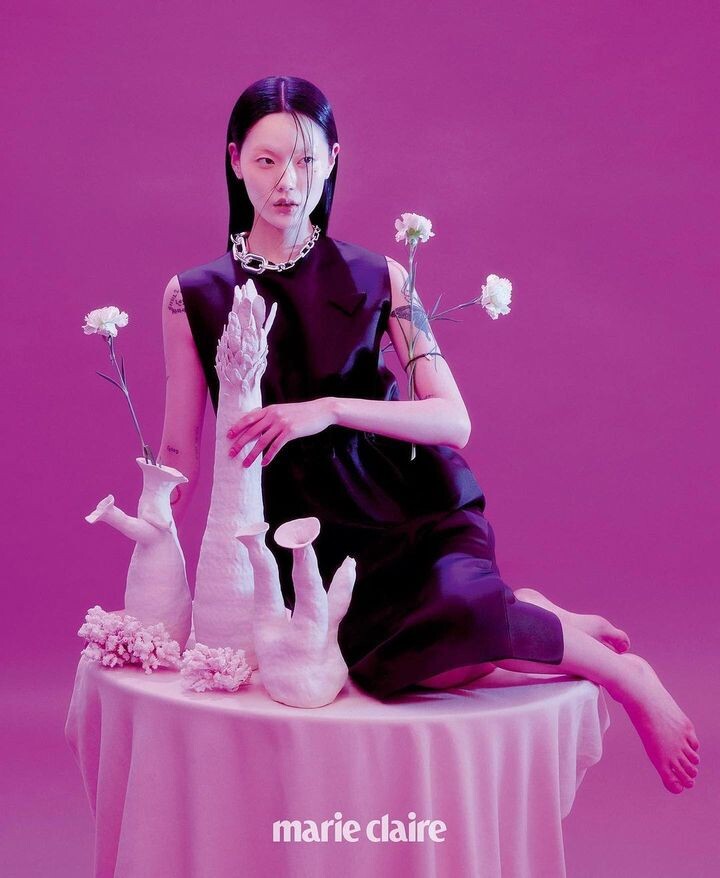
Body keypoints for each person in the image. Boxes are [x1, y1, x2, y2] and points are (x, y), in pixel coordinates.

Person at [157, 75, 699, 794]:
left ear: (334, 160)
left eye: (307, 160)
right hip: (305, 539)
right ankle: (529, 610)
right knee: (396, 668)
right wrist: (156, 532)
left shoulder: (380, 277)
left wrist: (328, 408)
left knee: (457, 619)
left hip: (405, 508)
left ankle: (628, 679)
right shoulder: (191, 296)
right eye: (267, 160)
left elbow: (453, 419)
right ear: (234, 160)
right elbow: (179, 447)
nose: (288, 182)